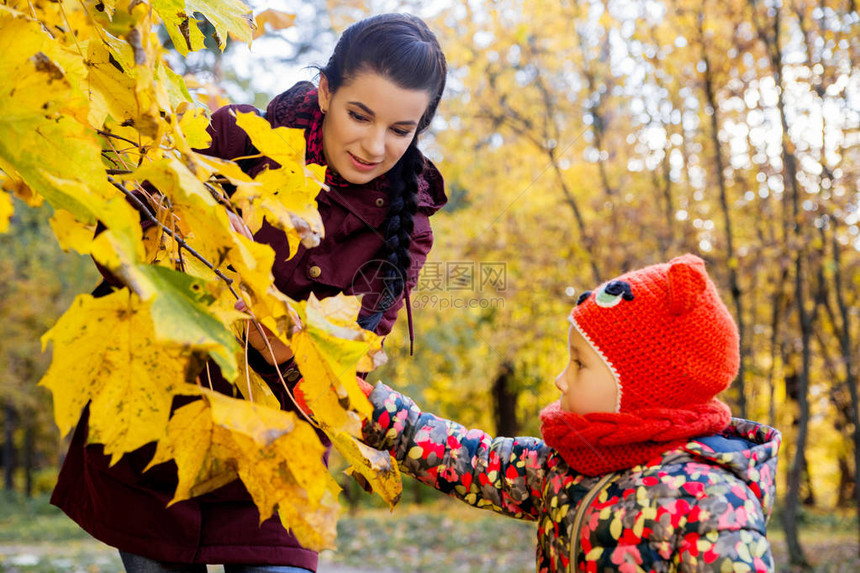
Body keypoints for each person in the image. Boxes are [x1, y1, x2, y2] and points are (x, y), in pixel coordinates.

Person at [50, 13, 448, 573]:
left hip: (275, 461)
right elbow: (111, 245)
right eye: (360, 115)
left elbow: (332, 369)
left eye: (400, 130)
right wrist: (183, 233)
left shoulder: (410, 230)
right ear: (327, 91)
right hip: (157, 433)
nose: (374, 145)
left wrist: (245, 296)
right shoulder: (231, 138)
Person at [359, 254, 781, 572]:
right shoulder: (564, 464)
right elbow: (472, 460)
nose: (561, 379)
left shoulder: (712, 501)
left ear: (641, 388)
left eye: (579, 364)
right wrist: (373, 410)